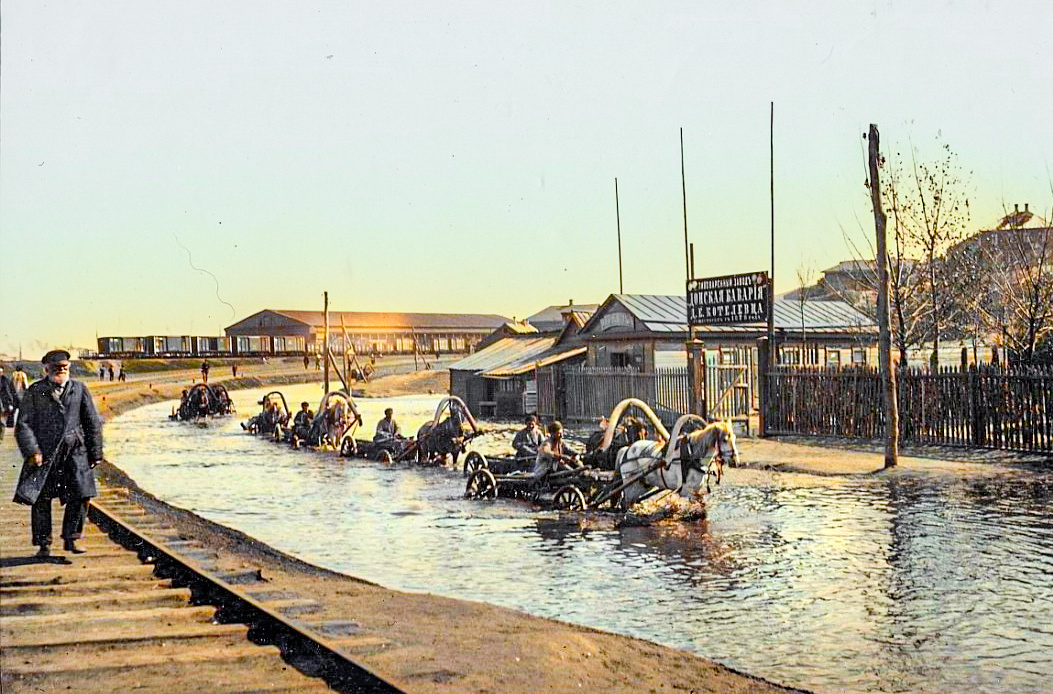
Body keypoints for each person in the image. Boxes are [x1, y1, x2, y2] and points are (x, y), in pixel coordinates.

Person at [14, 350, 104, 556]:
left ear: (69, 368)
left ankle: (72, 539)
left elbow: (92, 422)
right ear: (46, 369)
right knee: (41, 499)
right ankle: (43, 544)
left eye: (64, 367)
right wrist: (32, 451)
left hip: (75, 452)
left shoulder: (79, 389)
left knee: (82, 494)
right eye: (55, 367)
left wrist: (96, 452)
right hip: (45, 454)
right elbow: (23, 424)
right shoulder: (36, 391)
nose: (60, 370)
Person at [0, 366, 17, 439]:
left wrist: (10, 403)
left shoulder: (5, 381)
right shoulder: (6, 380)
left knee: (2, 421)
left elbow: (8, 393)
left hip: (3, 403)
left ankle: (0, 436)